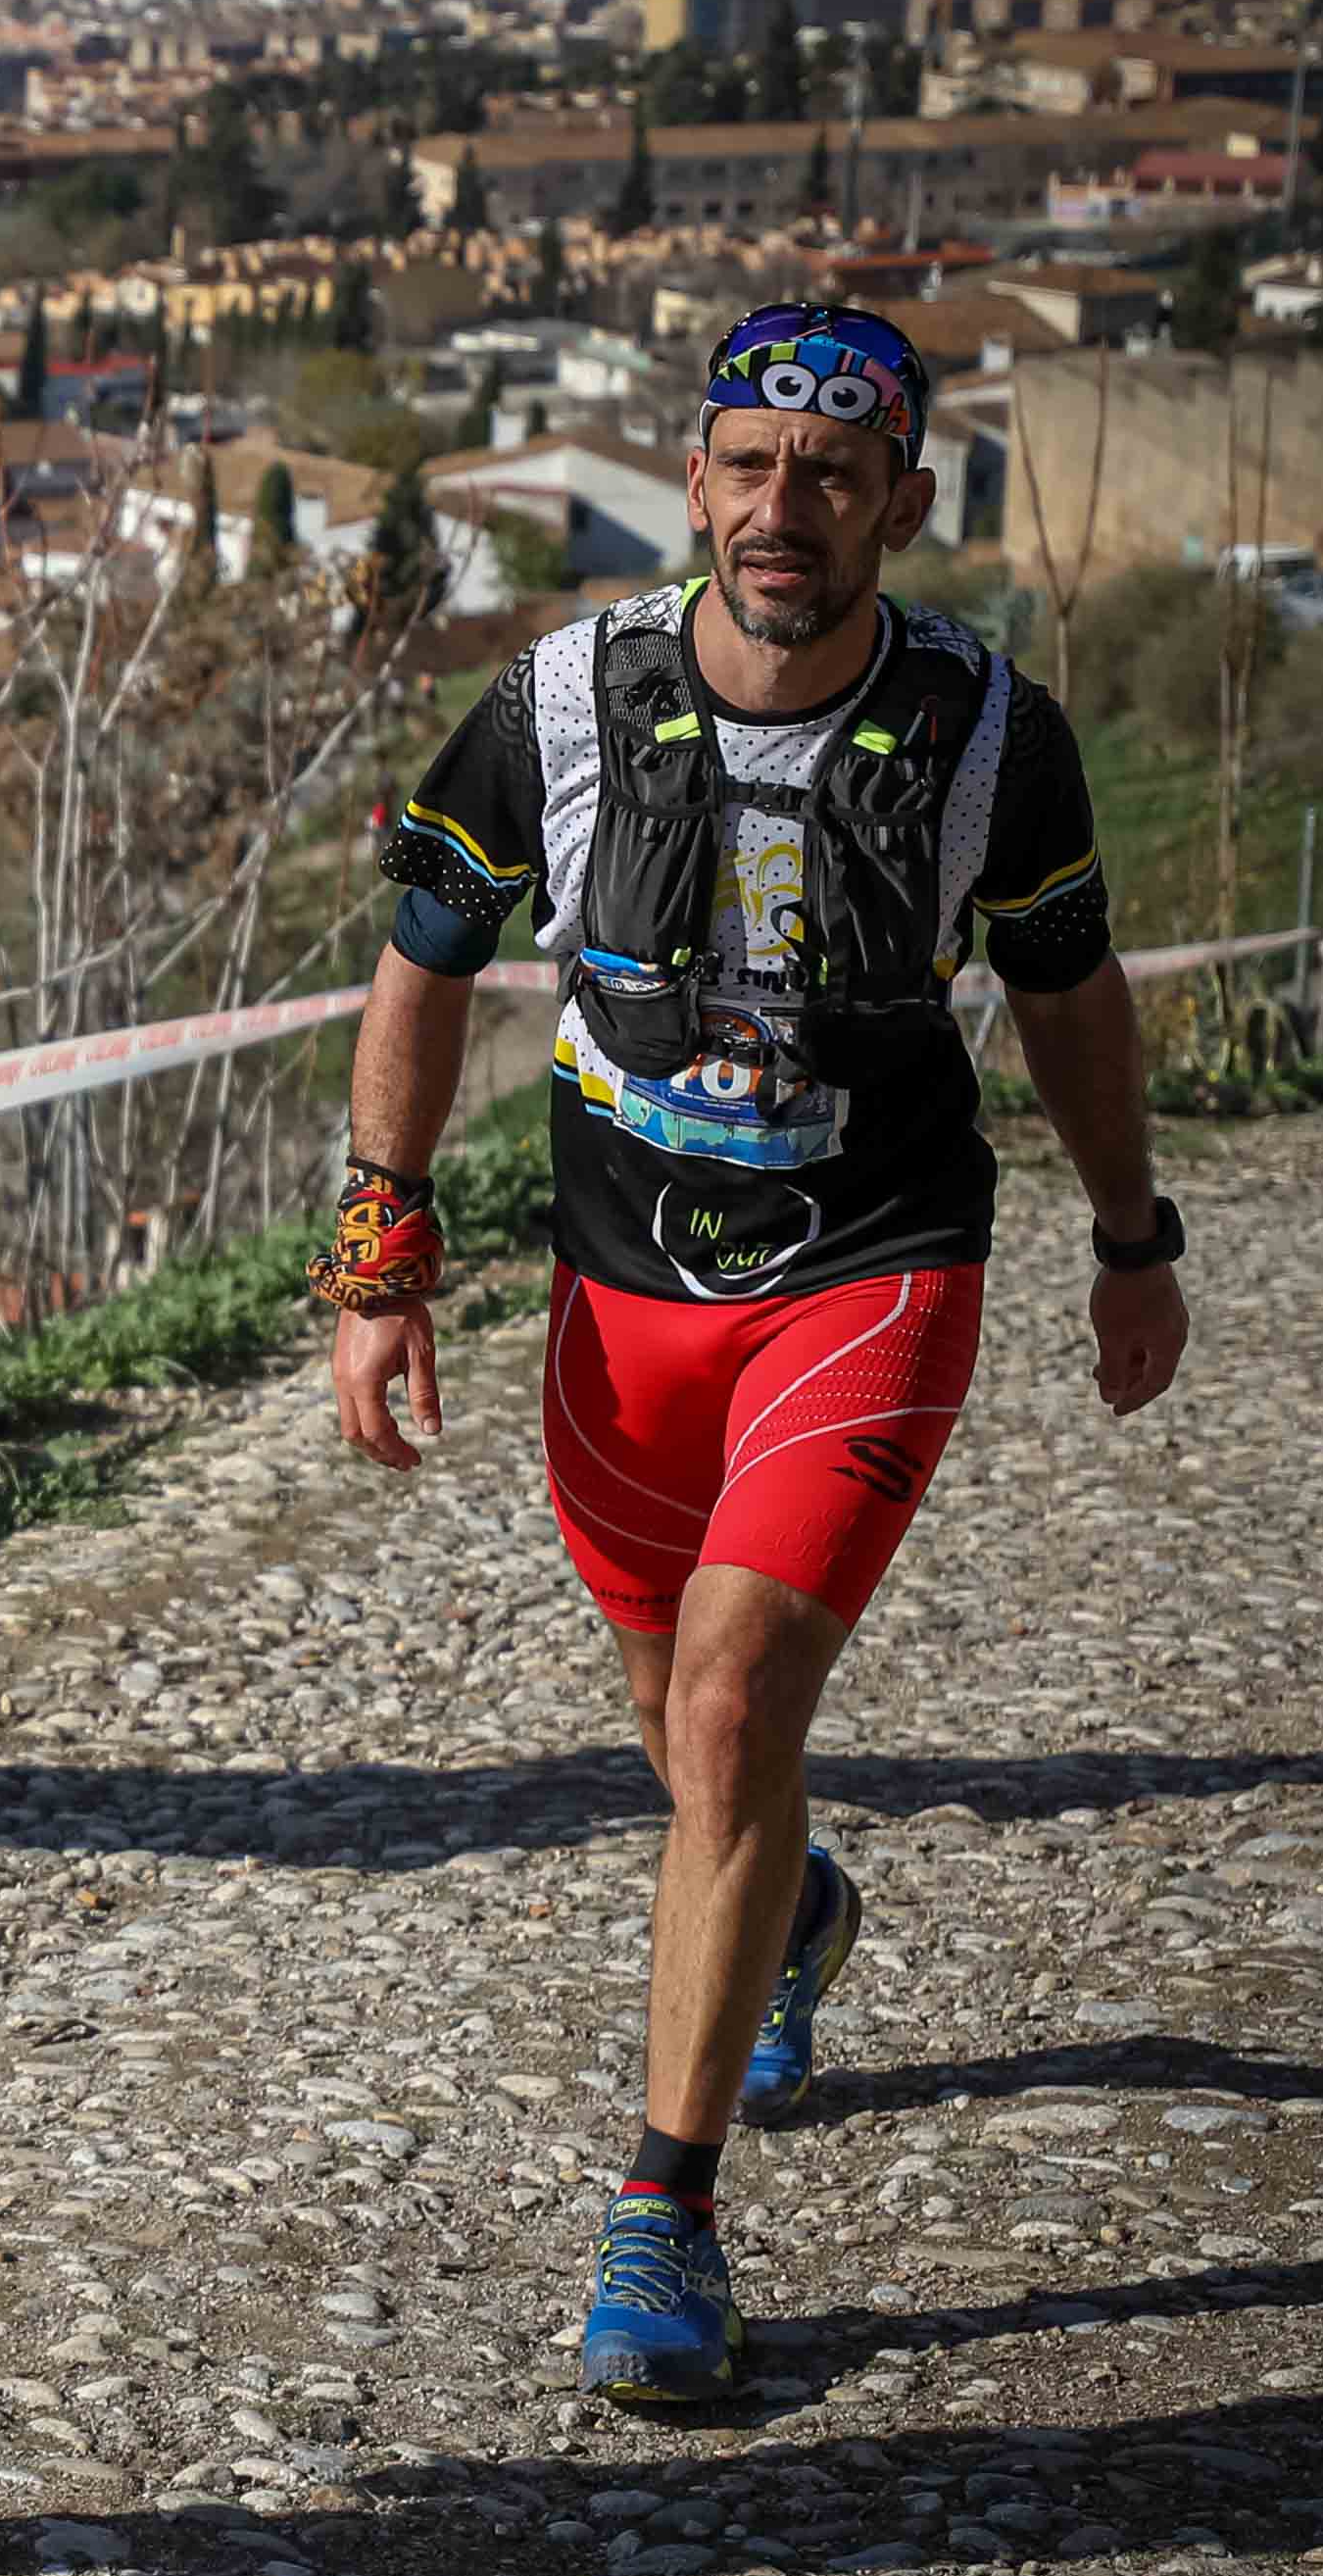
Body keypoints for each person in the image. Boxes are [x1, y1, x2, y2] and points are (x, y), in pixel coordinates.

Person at [321, 299, 1190, 2407]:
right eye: (740, 463)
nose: (776, 506)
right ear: (690, 479)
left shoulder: (991, 729)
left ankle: (663, 2215)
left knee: (723, 1703)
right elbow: (421, 962)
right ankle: (787, 1906)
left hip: (869, 1259)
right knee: (673, 1717)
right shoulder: (554, 698)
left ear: (899, 495)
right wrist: (377, 1246)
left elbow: (1066, 995)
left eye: (827, 472)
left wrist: (1125, 1230)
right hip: (622, 1289)